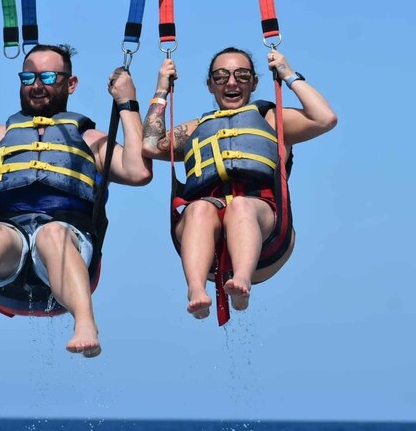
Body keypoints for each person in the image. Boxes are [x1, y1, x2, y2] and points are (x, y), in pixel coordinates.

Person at [0, 44, 152, 357]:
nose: (36, 85)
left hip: (66, 249)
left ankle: (85, 323)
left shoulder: (90, 140)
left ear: (71, 84)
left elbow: (139, 171)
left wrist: (127, 103)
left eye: (48, 76)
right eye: (28, 77)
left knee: (52, 234)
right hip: (4, 264)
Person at [141, 47, 337, 319]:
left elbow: (325, 118)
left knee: (240, 207)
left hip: (266, 235)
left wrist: (288, 73)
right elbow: (150, 145)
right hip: (206, 233)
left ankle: (241, 282)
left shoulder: (273, 120)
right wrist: (162, 88)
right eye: (221, 77)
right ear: (210, 85)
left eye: (242, 75)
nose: (231, 82)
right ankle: (196, 290)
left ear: (254, 82)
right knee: (197, 209)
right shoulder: (197, 129)